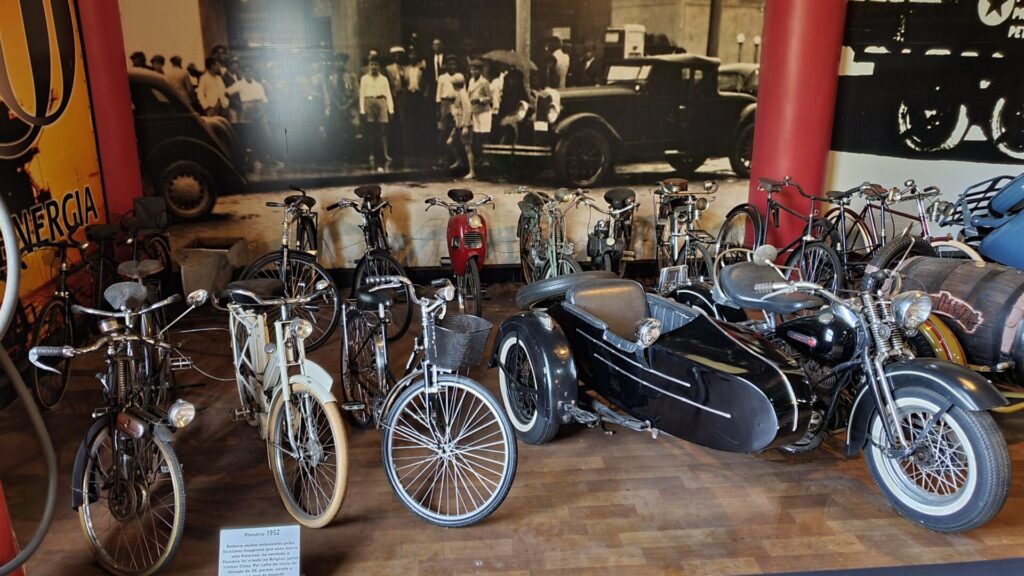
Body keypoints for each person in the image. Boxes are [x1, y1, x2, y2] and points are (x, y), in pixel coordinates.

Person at [360, 55, 394, 171]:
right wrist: (362, 109)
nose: (373, 67)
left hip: (381, 101)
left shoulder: (384, 79)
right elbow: (361, 94)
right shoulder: (364, 78)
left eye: (376, 64)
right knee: (370, 130)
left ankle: (385, 154)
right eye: (371, 64)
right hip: (369, 101)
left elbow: (388, 93)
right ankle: (372, 154)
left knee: (383, 129)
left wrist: (391, 109)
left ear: (379, 66)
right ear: (368, 66)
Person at [464, 59, 492, 179]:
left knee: (484, 136)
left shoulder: (484, 82)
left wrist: (480, 100)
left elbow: (489, 97)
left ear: (480, 71)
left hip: (484, 112)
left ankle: (486, 161)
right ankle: (480, 162)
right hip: (474, 112)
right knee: (477, 136)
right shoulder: (470, 81)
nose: (473, 71)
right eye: (472, 69)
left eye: (476, 69)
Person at [435, 55, 459, 167]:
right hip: (444, 103)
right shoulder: (442, 78)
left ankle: (453, 157)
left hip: (456, 103)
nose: (452, 66)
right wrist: (438, 109)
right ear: (446, 66)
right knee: (442, 131)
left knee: (454, 130)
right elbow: (438, 94)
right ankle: (441, 157)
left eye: (454, 64)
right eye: (450, 64)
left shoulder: (460, 76)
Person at [447, 73, 471, 173]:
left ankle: (471, 169)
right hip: (457, 123)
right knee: (449, 142)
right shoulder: (458, 94)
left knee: (467, 146)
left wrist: (465, 125)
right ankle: (459, 160)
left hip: (463, 123)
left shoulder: (463, 94)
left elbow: (467, 109)